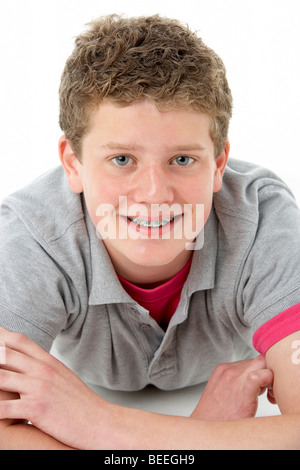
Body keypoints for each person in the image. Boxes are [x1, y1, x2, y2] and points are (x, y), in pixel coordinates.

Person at [0, 14, 300, 450]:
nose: (155, 195)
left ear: (218, 164)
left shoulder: (262, 222)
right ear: (73, 164)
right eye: (122, 159)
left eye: (182, 160)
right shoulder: (32, 239)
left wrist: (100, 424)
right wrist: (204, 436)